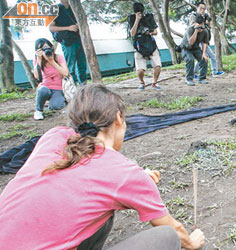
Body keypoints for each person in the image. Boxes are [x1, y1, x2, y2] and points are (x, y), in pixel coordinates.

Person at [0, 84, 205, 250]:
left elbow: (72, 179)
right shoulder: (123, 174)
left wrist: (136, 178)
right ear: (118, 118)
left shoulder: (54, 136)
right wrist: (193, 242)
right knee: (166, 237)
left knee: (102, 217)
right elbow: (175, 229)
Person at [49, 0, 87, 86]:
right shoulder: (55, 9)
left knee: (82, 67)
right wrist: (68, 28)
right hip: (67, 42)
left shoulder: (74, 7)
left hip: (79, 40)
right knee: (70, 68)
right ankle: (73, 89)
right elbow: (51, 27)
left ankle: (84, 88)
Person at [32, 38, 69, 120]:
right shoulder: (37, 60)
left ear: (52, 47)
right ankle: (38, 111)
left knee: (57, 106)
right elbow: (37, 77)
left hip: (58, 88)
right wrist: (39, 60)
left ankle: (55, 101)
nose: (45, 50)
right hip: (45, 87)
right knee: (42, 90)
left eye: (46, 48)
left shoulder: (59, 57)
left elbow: (65, 73)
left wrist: (52, 61)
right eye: (41, 49)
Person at [129, 2, 162, 90]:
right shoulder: (131, 18)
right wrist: (137, 19)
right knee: (140, 70)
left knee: (158, 66)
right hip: (139, 47)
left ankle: (155, 82)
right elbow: (132, 33)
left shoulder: (149, 17)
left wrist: (149, 32)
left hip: (151, 45)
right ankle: (142, 82)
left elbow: (155, 32)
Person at [190, 2, 225, 78]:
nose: (202, 10)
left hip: (205, 40)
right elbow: (192, 26)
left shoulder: (205, 16)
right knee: (203, 57)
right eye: (201, 8)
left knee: (211, 56)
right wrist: (200, 24)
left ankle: (214, 72)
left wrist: (207, 22)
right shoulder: (194, 16)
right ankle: (195, 73)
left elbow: (207, 26)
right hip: (198, 41)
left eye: (204, 9)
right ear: (197, 8)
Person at [180, 15, 209, 86]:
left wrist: (204, 53)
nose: (201, 27)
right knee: (190, 59)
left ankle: (202, 78)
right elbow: (190, 42)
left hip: (196, 49)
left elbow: (205, 43)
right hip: (186, 48)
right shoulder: (190, 29)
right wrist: (196, 31)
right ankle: (189, 79)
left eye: (202, 24)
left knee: (204, 59)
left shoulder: (205, 31)